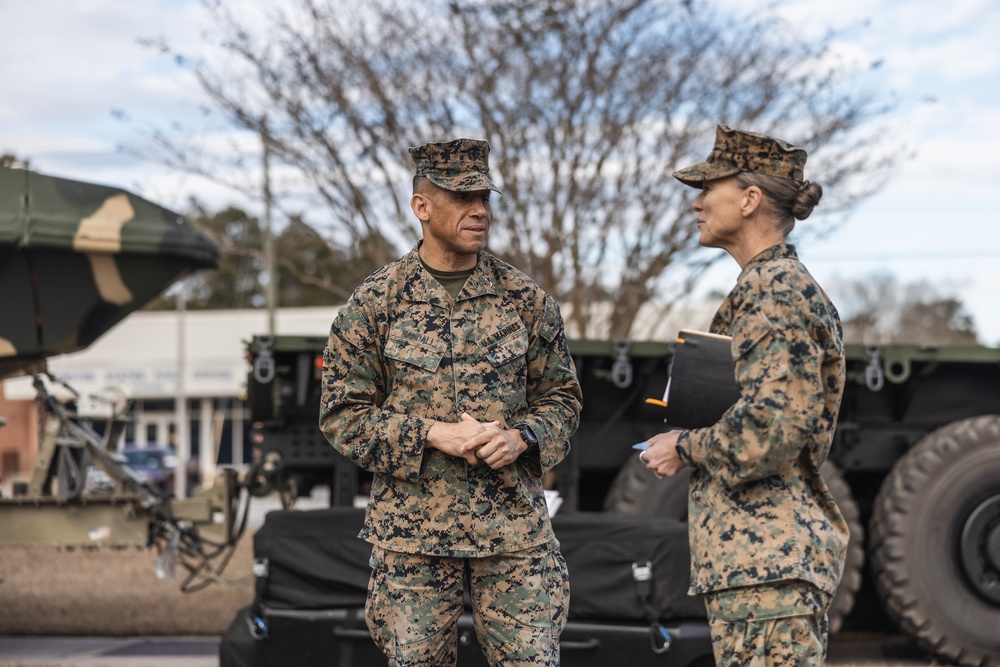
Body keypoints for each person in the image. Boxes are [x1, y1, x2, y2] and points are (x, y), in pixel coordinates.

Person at [319, 138, 582, 667]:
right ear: (422, 207)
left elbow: (562, 398)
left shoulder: (524, 299)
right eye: (463, 199)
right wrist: (432, 434)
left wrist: (520, 437)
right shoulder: (375, 303)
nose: (480, 211)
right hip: (413, 536)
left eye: (484, 198)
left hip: (512, 533)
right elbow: (342, 415)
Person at [639, 124, 849, 666]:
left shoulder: (774, 290)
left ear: (751, 200)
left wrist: (683, 445)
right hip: (758, 566)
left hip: (768, 567)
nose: (698, 203)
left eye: (710, 189)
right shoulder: (770, 285)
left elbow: (773, 427)